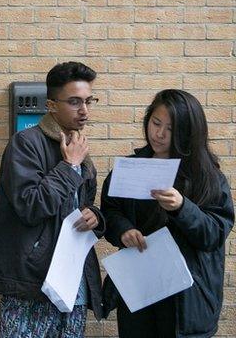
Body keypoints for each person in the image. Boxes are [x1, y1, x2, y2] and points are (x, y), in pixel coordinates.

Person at [100, 89, 234, 338]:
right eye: (155, 123)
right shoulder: (131, 167)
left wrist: (183, 208)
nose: (159, 134)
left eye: (170, 129)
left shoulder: (207, 177)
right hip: (139, 291)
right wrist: (123, 231)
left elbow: (214, 234)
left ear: (187, 132)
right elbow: (111, 211)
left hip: (186, 298)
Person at [0, 61, 105, 337]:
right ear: (52, 105)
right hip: (33, 285)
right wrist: (69, 167)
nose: (84, 110)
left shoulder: (78, 148)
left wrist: (96, 217)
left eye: (89, 101)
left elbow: (81, 205)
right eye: (75, 102)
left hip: (73, 286)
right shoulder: (25, 144)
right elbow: (30, 206)